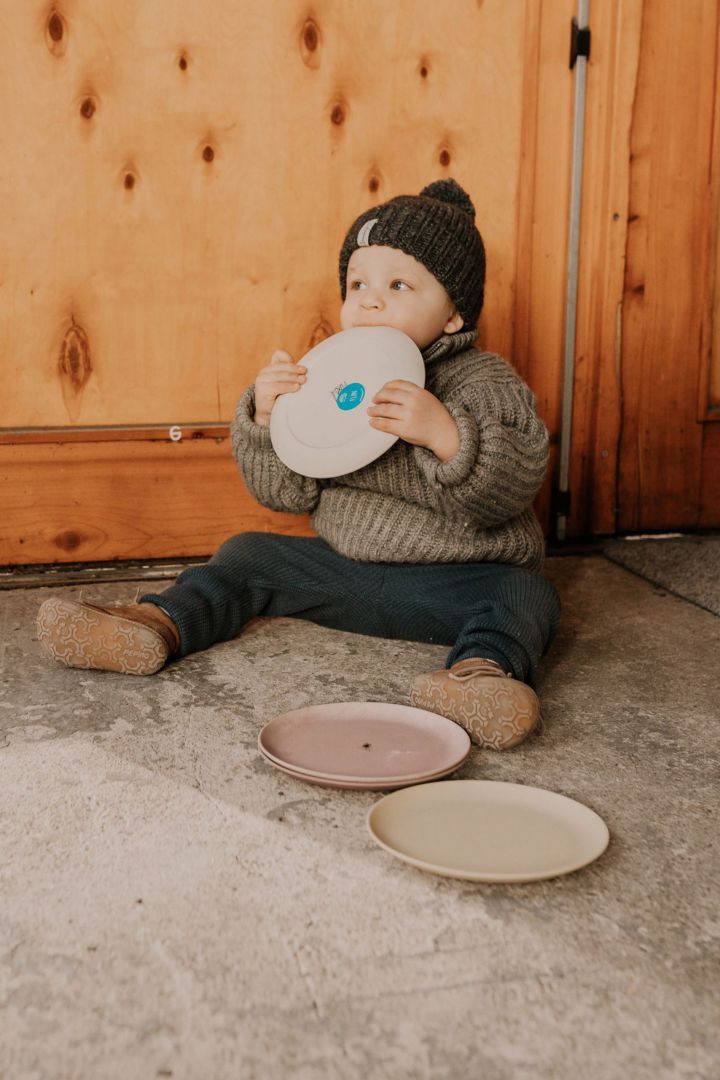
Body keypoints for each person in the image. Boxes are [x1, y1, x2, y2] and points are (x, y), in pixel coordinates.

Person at [37, 179, 560, 750]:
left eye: (399, 285)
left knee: (527, 594)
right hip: (343, 573)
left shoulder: (484, 383)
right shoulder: (335, 376)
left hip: (453, 583)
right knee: (248, 552)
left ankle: (479, 677)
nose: (370, 299)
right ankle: (155, 624)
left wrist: (447, 436)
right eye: (357, 283)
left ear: (455, 312)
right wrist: (270, 419)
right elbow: (287, 495)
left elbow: (512, 487)